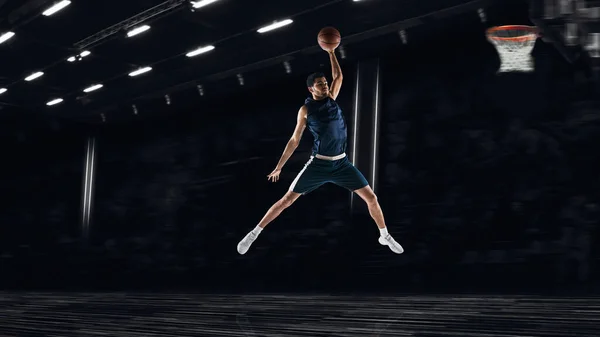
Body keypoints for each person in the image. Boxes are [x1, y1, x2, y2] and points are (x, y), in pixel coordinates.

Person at [237, 47, 404, 255]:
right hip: (319, 164)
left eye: (325, 83)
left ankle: (384, 235)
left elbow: (338, 75)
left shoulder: (332, 98)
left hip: (342, 164)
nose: (325, 86)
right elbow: (294, 140)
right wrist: (279, 167)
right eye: (320, 85)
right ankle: (254, 233)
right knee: (286, 200)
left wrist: (331, 51)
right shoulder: (306, 110)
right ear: (311, 89)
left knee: (371, 198)